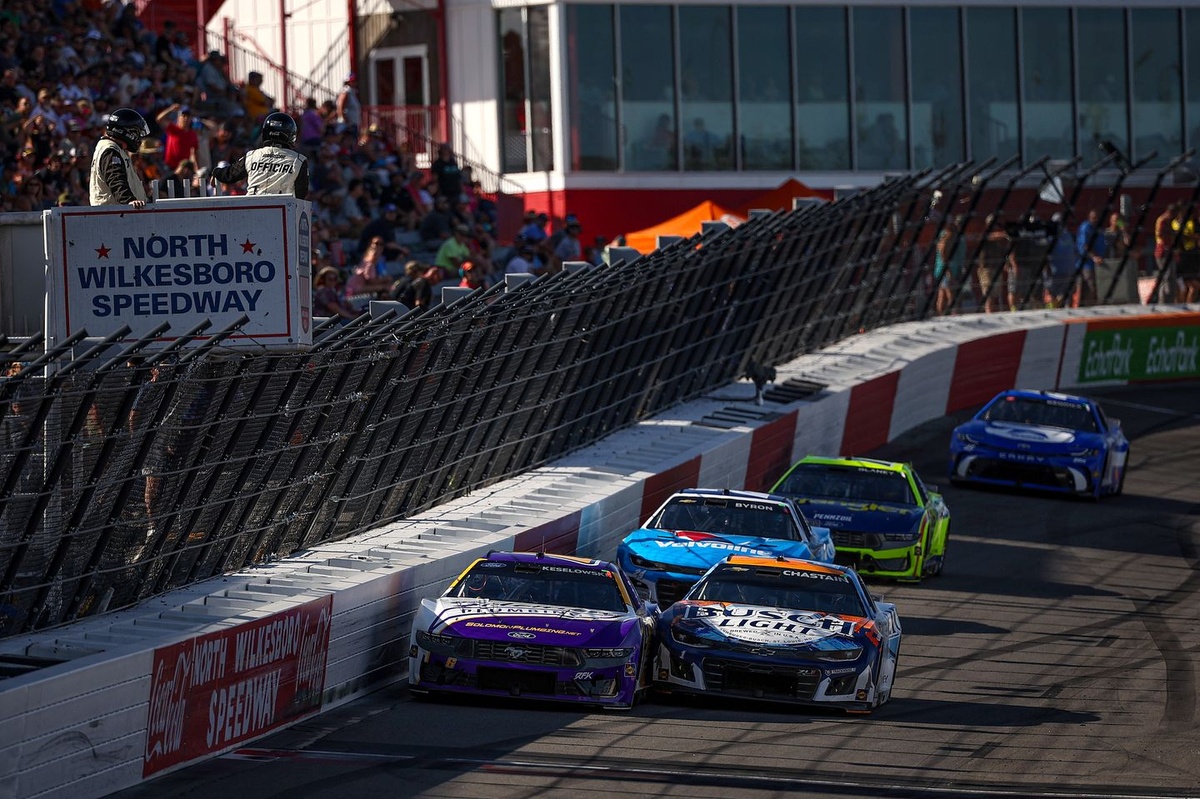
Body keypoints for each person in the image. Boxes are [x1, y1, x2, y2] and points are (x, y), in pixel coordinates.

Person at [211, 111, 309, 198]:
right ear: (291, 135)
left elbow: (229, 175)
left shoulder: (251, 156)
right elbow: (301, 193)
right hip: (283, 209)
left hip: (252, 208)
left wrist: (216, 173)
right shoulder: (299, 160)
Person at [89, 107, 150, 207]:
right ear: (126, 132)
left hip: (117, 211)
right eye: (136, 133)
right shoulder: (110, 150)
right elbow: (115, 178)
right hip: (113, 212)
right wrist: (128, 200)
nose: (138, 138)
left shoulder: (114, 148)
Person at [1075, 208, 1106, 307]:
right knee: (1090, 287)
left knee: (1097, 288)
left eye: (1097, 218)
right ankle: (1089, 309)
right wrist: (1094, 257)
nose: (1095, 220)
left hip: (1100, 264)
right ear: (1089, 217)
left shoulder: (1099, 228)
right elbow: (1084, 246)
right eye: (1093, 218)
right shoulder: (1086, 228)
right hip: (1087, 264)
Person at [1154, 202, 1181, 303]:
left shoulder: (1170, 221)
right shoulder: (1163, 220)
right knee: (1167, 276)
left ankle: (1171, 299)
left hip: (1169, 252)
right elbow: (1160, 234)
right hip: (1163, 252)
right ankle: (1164, 300)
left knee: (1172, 276)